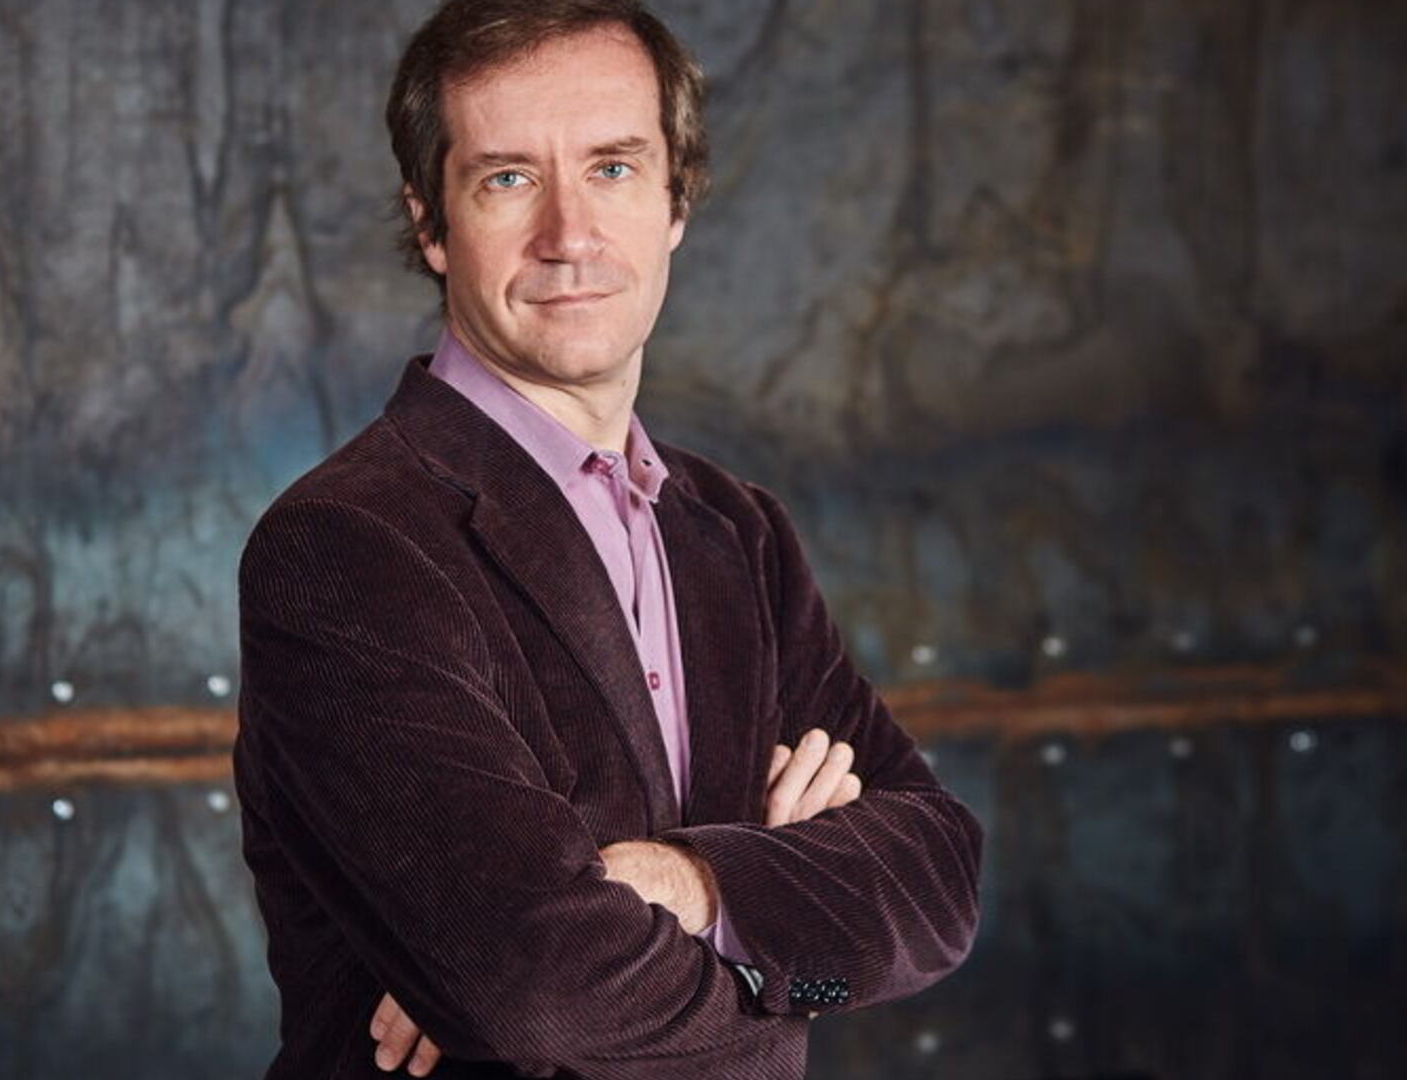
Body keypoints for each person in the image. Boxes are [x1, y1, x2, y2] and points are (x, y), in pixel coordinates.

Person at [231, 1, 984, 1076]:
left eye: (614, 168)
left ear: (677, 198)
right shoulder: (347, 549)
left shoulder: (736, 533)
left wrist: (688, 884)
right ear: (431, 225)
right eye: (507, 178)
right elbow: (539, 992)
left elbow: (940, 885)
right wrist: (787, 948)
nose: (569, 236)